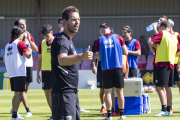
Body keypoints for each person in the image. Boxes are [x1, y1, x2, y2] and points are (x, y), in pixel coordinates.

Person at [51, 6, 93, 120]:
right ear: (65, 22)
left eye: (78, 19)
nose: (77, 22)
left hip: (71, 92)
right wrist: (82, 56)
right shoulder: (62, 40)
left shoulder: (68, 40)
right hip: (63, 93)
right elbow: (62, 59)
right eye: (74, 19)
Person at [95, 23, 128, 120]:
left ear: (101, 31)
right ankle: (122, 114)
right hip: (117, 67)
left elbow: (98, 58)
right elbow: (125, 52)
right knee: (120, 92)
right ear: (109, 28)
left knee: (108, 93)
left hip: (106, 68)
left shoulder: (98, 40)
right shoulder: (118, 37)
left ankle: (109, 115)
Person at [148, 20, 180, 117]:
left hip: (161, 63)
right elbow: (178, 50)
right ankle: (169, 109)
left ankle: (164, 109)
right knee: (168, 87)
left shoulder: (162, 33)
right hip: (171, 64)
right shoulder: (174, 38)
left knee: (159, 87)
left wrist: (150, 42)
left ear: (161, 27)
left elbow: (153, 43)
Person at [4, 26, 32, 120]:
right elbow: (28, 56)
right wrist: (29, 46)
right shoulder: (20, 43)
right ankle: (14, 116)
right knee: (18, 94)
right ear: (20, 35)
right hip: (19, 72)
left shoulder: (7, 44)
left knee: (17, 94)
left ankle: (15, 115)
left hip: (12, 73)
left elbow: (5, 59)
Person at [12, 19, 38, 117]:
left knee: (25, 88)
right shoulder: (15, 38)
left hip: (28, 64)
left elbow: (35, 49)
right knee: (21, 90)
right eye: (21, 25)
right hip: (19, 66)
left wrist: (29, 41)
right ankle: (27, 110)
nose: (23, 26)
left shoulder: (29, 35)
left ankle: (15, 106)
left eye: (24, 24)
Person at [36, 24, 54, 120]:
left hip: (55, 72)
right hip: (45, 72)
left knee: (56, 93)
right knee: (47, 93)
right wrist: (37, 73)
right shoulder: (42, 43)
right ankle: (54, 114)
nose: (46, 38)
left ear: (51, 33)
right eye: (44, 36)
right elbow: (39, 59)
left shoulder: (57, 41)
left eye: (47, 36)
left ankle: (60, 113)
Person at [92, 40, 106, 114]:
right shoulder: (98, 41)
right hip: (101, 66)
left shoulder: (114, 39)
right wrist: (93, 65)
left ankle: (113, 107)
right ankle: (103, 106)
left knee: (113, 89)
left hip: (111, 66)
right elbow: (93, 53)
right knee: (102, 88)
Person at [168, 19, 180, 94]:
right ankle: (168, 105)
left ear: (171, 26)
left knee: (178, 83)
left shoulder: (177, 35)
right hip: (168, 63)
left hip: (176, 63)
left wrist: (179, 63)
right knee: (167, 85)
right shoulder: (164, 35)